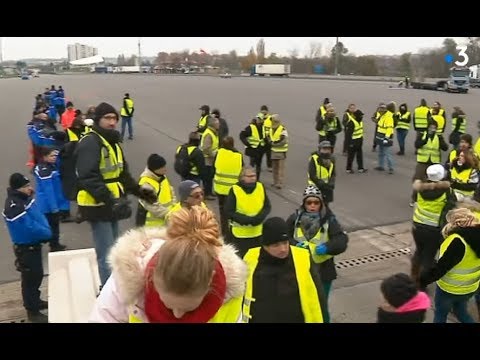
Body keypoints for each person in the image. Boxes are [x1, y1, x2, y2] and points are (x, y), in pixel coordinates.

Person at [89, 206, 248, 323]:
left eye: (189, 308)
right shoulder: (127, 280)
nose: (178, 315)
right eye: (169, 306)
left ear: (210, 282)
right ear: (151, 275)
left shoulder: (230, 293)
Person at [74, 102, 156, 287]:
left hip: (112, 203)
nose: (112, 122)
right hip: (98, 204)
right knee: (107, 253)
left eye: (114, 118)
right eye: (107, 118)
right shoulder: (91, 142)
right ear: (98, 120)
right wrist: (110, 199)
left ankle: (115, 287)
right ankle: (108, 292)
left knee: (116, 250)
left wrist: (140, 192)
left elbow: (123, 175)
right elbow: (87, 177)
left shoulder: (112, 142)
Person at [242, 217, 328, 323]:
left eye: (285, 243)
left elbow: (319, 295)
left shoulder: (302, 257)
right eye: (276, 245)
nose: (282, 249)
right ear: (265, 246)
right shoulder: (250, 258)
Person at [286, 184, 348, 323]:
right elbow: (285, 237)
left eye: (316, 202)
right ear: (304, 203)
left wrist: (327, 247)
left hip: (323, 271)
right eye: (309, 202)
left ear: (321, 203)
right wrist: (295, 244)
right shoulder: (294, 219)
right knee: (301, 304)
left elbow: (341, 240)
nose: (313, 205)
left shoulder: (329, 220)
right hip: (300, 270)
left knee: (320, 305)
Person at [2, 173, 52, 323]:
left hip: (33, 246)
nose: (30, 188)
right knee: (30, 279)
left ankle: (35, 301)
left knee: (36, 275)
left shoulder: (23, 199)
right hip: (26, 248)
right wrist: (46, 233)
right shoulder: (14, 206)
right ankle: (32, 311)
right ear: (18, 188)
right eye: (26, 186)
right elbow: (28, 227)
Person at [420, 208, 480, 323]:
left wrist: (422, 281)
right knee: (461, 312)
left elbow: (441, 269)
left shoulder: (457, 241)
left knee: (440, 314)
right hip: (470, 288)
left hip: (449, 289)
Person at [136, 154, 176, 227]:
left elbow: (171, 193)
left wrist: (174, 209)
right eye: (162, 167)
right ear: (155, 169)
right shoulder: (145, 183)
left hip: (167, 222)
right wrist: (170, 214)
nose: (165, 169)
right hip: (152, 226)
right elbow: (152, 206)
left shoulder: (162, 177)